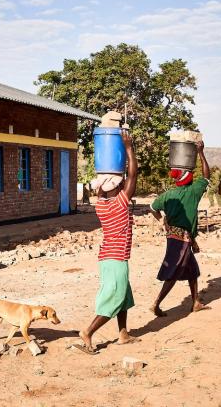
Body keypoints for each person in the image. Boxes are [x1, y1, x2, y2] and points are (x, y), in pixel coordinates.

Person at [76, 130, 138, 355]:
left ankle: (123, 334)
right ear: (119, 188)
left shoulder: (100, 205)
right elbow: (133, 175)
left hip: (107, 257)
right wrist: (128, 147)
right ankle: (88, 332)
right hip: (116, 258)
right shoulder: (120, 203)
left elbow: (111, 186)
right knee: (115, 297)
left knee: (123, 296)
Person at [149, 141, 211, 317]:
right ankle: (156, 304)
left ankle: (196, 302)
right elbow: (207, 176)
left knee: (192, 270)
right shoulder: (193, 192)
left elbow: (153, 207)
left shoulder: (168, 195)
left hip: (175, 236)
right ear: (188, 177)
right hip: (181, 239)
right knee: (174, 272)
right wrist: (200, 152)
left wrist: (162, 220)